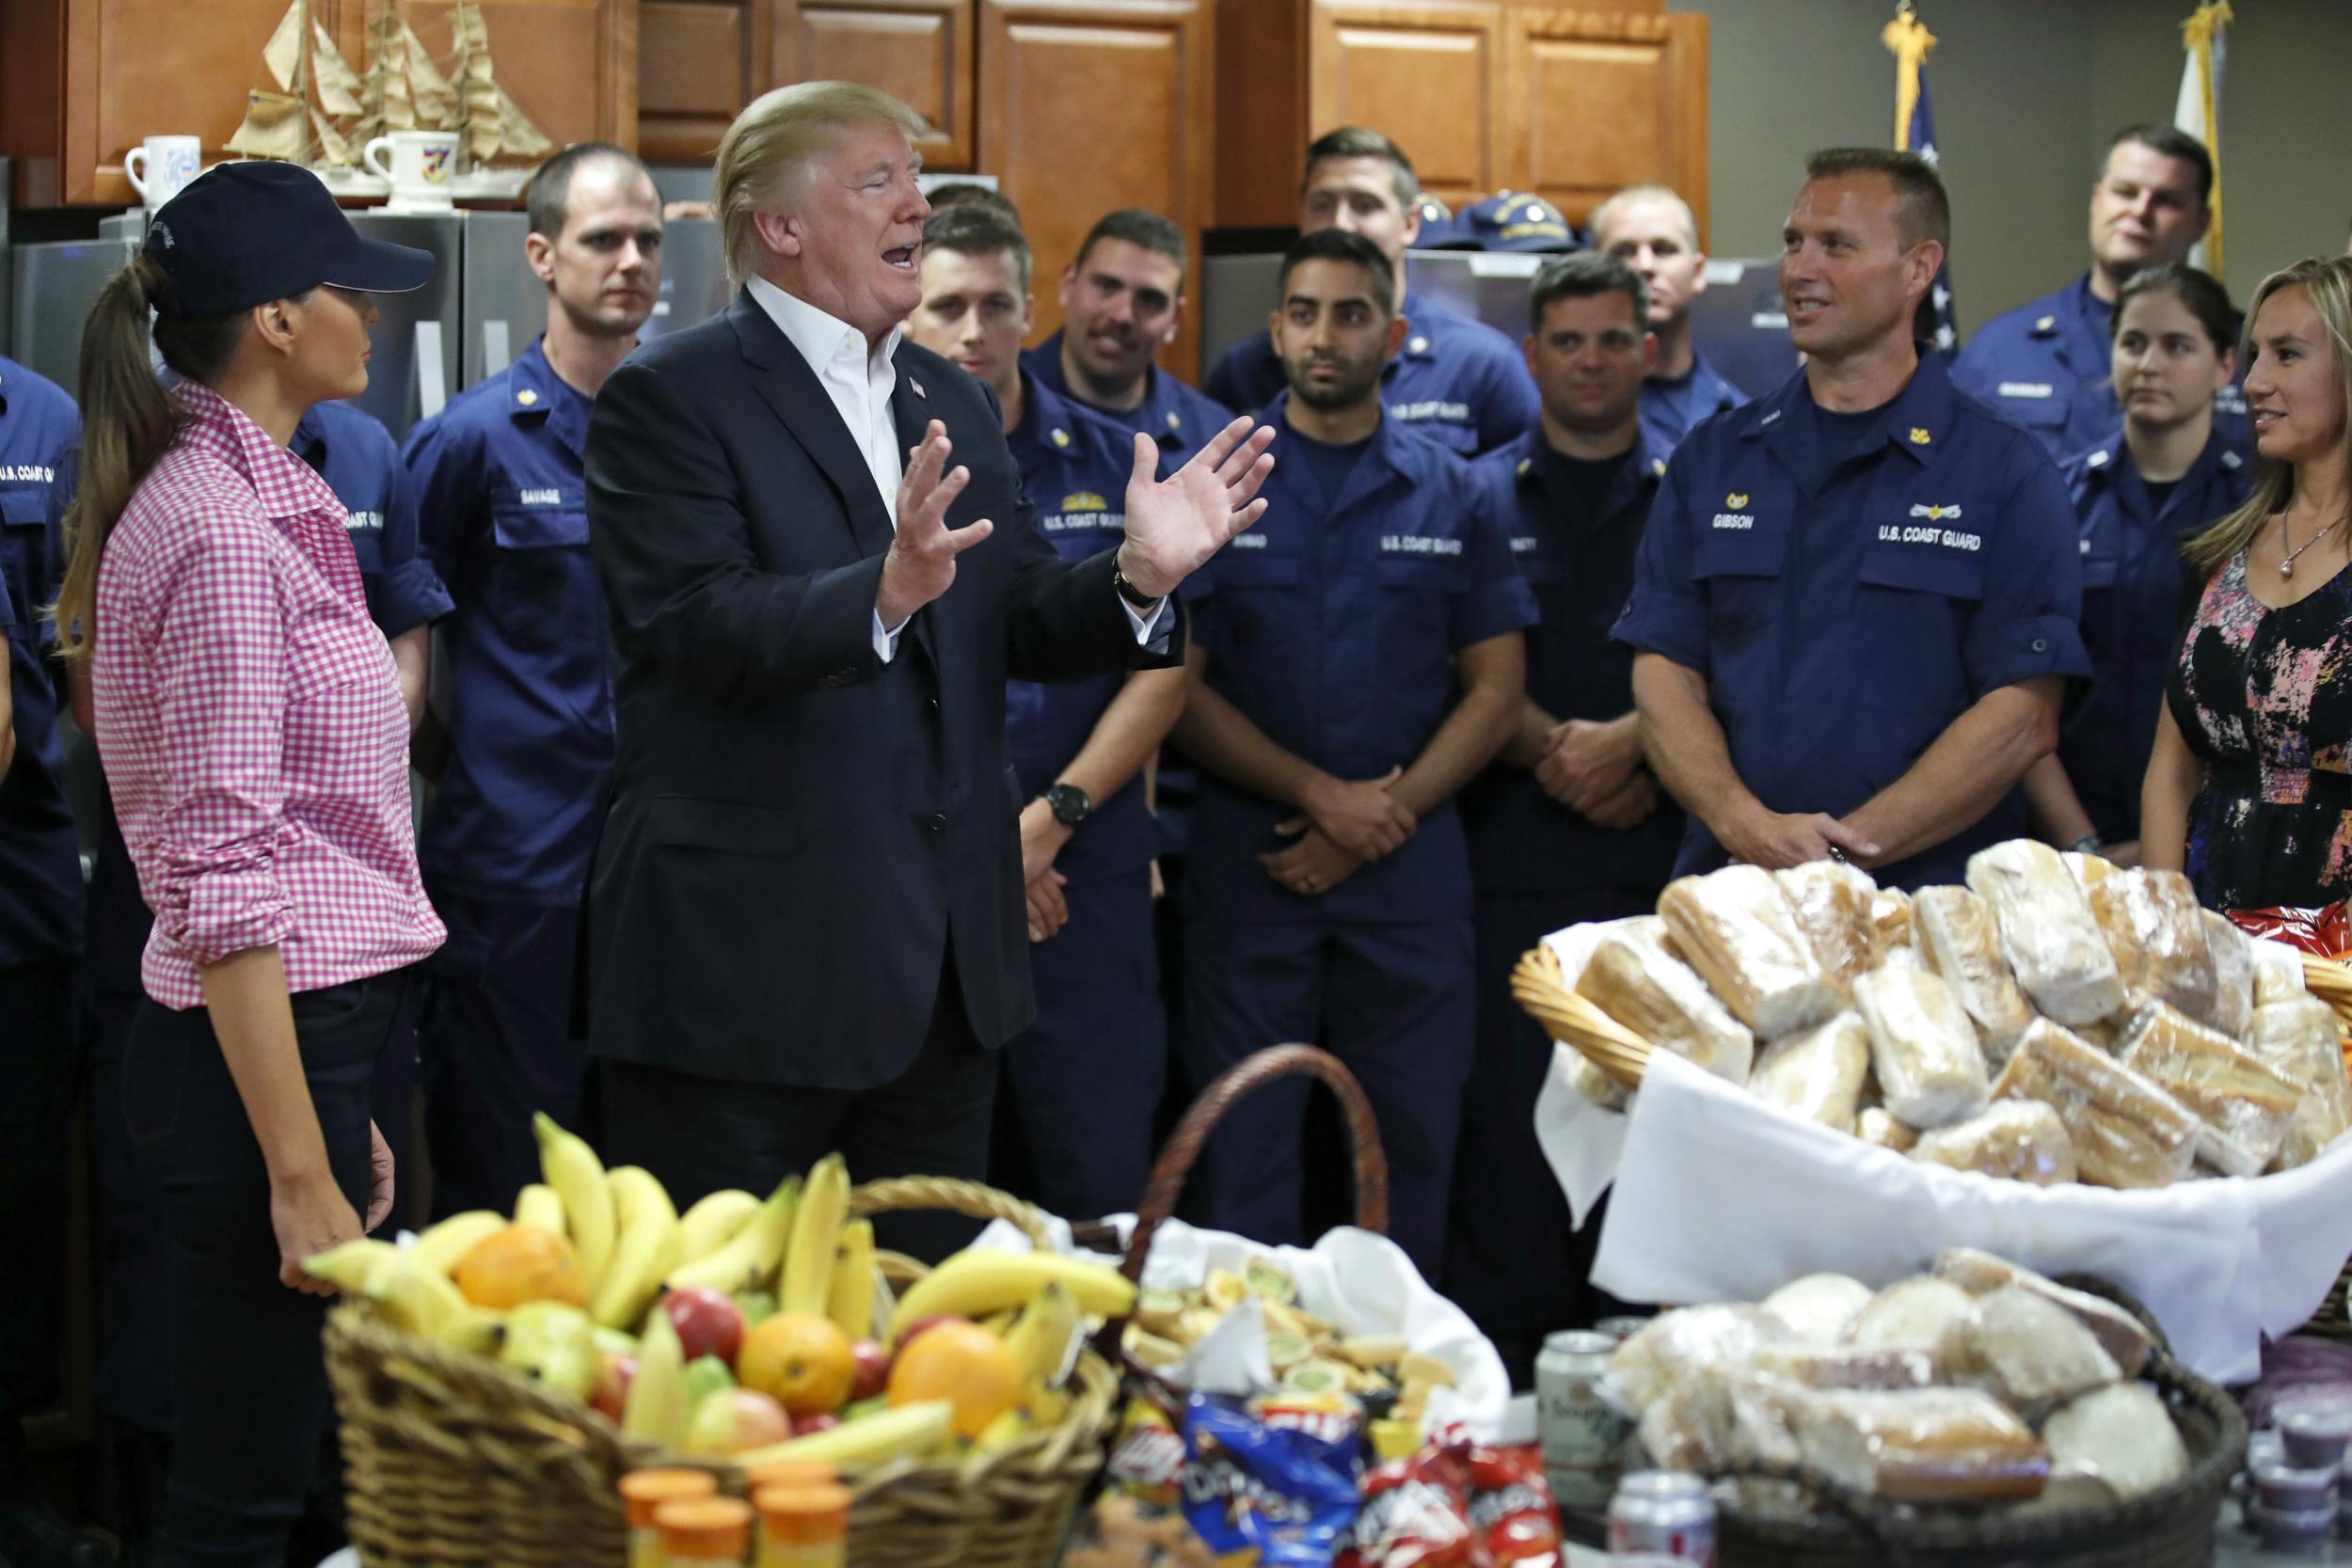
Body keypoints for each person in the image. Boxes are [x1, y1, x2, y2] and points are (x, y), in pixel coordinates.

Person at [579, 82, 1274, 1248]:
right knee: (733, 1356)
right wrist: (882, 592)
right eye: (878, 181)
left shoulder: (943, 391)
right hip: (745, 981)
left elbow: (1016, 610)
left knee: (928, 1344)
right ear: (781, 226)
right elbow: (693, 625)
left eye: (915, 177)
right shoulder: (669, 394)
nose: (920, 202)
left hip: (944, 979)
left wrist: (1137, 576)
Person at [54, 160, 441, 1568]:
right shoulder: (220, 530)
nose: (372, 314)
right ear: (275, 318)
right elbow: (222, 868)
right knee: (243, 1492)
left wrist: (342, 1108)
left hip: (315, 1035)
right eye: (348, 287)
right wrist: (296, 1156)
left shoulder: (253, 492)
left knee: (298, 1461)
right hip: (260, 1051)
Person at [1174, 229, 1534, 1272]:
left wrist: (1385, 814)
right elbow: (1176, 692)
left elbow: (1496, 688)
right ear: (1276, 327)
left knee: (1409, 1151)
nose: (1324, 335)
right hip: (1251, 873)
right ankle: (1251, 1403)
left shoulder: (1460, 491)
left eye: (1350, 313)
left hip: (1408, 881)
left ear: (1395, 335)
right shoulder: (1218, 484)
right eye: (1304, 312)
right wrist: (1321, 796)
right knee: (1242, 1156)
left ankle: (1398, 1395)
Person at [1618, 149, 2088, 890]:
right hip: (1735, 891)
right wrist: (1745, 824)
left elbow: (2023, 713)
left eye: (1836, 245)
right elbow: (1664, 670)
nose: (1801, 268)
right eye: (1793, 241)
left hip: (1930, 908)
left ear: (1917, 268)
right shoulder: (1713, 458)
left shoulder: (2005, 471)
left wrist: (1838, 854)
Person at [902, 201, 1185, 1220]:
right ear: (907, 314)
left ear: (1034, 309)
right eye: (946, 305)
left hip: (1088, 866)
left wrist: (1050, 819)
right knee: (937, 1198)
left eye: (994, 304)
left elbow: (1161, 662)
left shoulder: (1120, 462)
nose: (972, 329)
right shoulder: (870, 467)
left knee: (1095, 1185)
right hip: (924, 877)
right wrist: (989, 850)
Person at [402, 142, 661, 1217]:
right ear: (543, 257)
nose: (632, 260)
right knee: (511, 1188)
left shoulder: (688, 436)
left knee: (647, 1189)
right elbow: (403, 655)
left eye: (649, 239)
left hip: (663, 881)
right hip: (513, 875)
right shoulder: (468, 440)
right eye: (604, 239)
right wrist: (480, 770)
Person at [1446, 252, 1678, 1381]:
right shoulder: (1472, 494)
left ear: (1646, 348)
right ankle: (1510, 1377)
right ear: (1531, 356)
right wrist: (1564, 751)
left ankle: (1635, 1365)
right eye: (1568, 342)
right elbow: (1452, 668)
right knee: (1510, 1141)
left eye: (1612, 339)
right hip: (1510, 867)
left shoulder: (1695, 491)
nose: (1591, 360)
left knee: (1651, 1133)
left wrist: (1637, 742)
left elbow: (1720, 654)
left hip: (1656, 870)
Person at [2145, 257, 2352, 910]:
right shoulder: (2217, 555)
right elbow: (2170, 772)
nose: (2255, 381)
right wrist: (2167, 929)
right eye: (2255, 354)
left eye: (2287, 355)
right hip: (2213, 937)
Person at [2025, 264, 2249, 865]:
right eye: (2132, 342)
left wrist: (2164, 841)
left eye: (2177, 345)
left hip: (2216, 837)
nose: (2149, 363)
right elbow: (2019, 688)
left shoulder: (2260, 504)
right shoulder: (2055, 496)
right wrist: (2083, 846)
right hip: (2071, 839)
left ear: (2226, 365)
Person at [0, 356, 108, 1568]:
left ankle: (13, 1474)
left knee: (18, 1210)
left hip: (20, 893)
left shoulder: (47, 422)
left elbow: (83, 666)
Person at [1202, 127, 1537, 457]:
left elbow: (1516, 500)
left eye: (1365, 205)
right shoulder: (1244, 372)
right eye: (1323, 203)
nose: (1341, 223)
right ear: (1302, 217)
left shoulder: (1482, 366)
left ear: (1410, 225)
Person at [1954, 125, 2233, 462]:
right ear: (2096, 200)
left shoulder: (2249, 355)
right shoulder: (2001, 349)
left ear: (2202, 223)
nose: (2140, 212)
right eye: (2125, 192)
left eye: (2166, 200)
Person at [1022, 207, 1234, 476]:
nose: (1123, 315)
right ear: (1068, 284)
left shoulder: (1213, 440)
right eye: (1107, 286)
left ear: (1175, 320)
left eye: (1149, 300)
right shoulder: (999, 407)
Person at [1591, 184, 1747, 450]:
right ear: (1593, 271)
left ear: (1697, 272)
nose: (1645, 266)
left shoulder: (1737, 415)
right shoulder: (1568, 408)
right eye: (1624, 251)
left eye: (1663, 249)